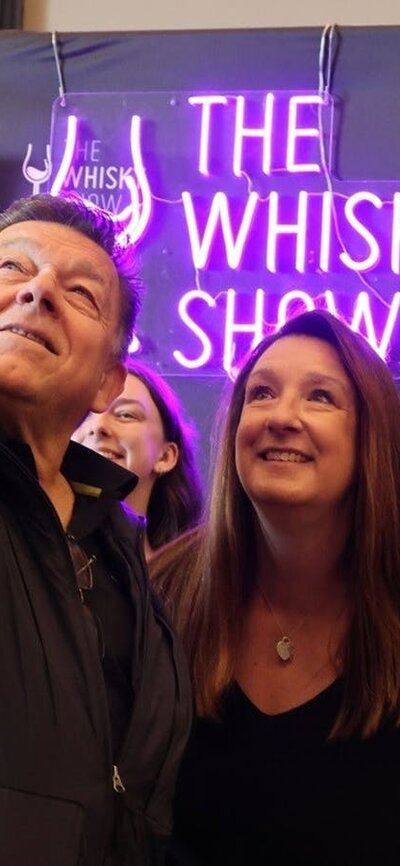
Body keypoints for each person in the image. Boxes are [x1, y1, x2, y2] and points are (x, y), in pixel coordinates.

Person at [151, 309, 400, 866]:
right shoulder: (162, 592)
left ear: (372, 436)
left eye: (320, 398)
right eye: (260, 393)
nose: (281, 417)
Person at [0, 192, 192, 866]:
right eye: (12, 269)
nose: (38, 291)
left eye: (80, 292)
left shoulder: (121, 551)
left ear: (110, 379)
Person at [75, 359, 203, 560]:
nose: (97, 427)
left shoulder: (194, 581)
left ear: (166, 456)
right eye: (83, 415)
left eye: (125, 415)